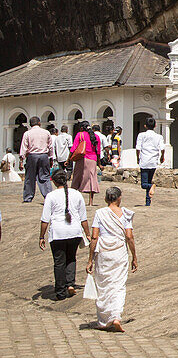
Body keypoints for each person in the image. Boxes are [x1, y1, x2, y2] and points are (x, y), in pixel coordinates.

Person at [86, 186, 136, 332]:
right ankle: (116, 316)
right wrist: (134, 257)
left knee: (104, 286)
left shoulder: (100, 213)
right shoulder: (125, 214)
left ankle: (104, 320)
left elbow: (94, 237)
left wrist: (90, 259)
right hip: (119, 252)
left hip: (104, 252)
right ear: (119, 198)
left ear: (106, 199)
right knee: (119, 285)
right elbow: (129, 236)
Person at [39, 171, 90, 300]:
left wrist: (41, 236)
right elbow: (83, 218)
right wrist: (88, 234)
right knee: (71, 257)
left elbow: (45, 220)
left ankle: (61, 291)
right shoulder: (77, 194)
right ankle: (70, 284)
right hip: (75, 231)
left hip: (58, 232)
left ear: (54, 182)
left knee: (59, 261)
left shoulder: (51, 196)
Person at [67, 121, 101, 206]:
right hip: (93, 160)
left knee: (77, 177)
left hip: (82, 159)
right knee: (92, 179)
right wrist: (99, 163)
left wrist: (68, 159)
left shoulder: (80, 135)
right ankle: (90, 202)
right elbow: (98, 151)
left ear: (82, 128)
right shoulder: (96, 136)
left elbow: (73, 148)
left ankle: (73, 200)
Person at [20, 116, 52, 202]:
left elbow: (24, 147)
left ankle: (28, 197)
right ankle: (48, 196)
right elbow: (50, 146)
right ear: (39, 123)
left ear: (30, 124)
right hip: (44, 155)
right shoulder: (46, 132)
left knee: (30, 177)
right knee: (45, 177)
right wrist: (51, 157)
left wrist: (21, 160)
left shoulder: (27, 133)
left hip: (32, 156)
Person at [135, 117, 165, 207]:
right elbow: (163, 148)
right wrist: (162, 157)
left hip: (144, 161)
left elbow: (138, 148)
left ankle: (152, 186)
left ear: (145, 126)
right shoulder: (159, 137)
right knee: (148, 180)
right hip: (153, 161)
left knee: (144, 184)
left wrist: (138, 158)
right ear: (155, 125)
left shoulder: (141, 135)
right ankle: (148, 202)